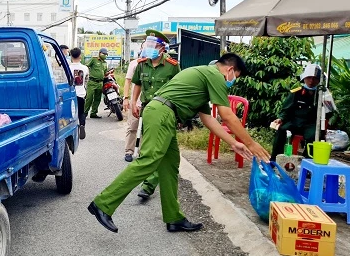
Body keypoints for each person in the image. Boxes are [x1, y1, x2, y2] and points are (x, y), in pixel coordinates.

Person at [88, 53, 270, 233]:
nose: (232, 81)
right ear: (230, 69)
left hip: (163, 114)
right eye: (235, 77)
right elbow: (227, 115)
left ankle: (173, 218)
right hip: (162, 113)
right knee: (148, 161)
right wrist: (251, 143)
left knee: (169, 165)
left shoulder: (203, 77)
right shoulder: (215, 75)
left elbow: (209, 120)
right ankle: (103, 204)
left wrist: (233, 142)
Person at [130, 31, 181, 200]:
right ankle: (149, 181)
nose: (149, 48)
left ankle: (149, 184)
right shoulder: (142, 64)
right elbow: (137, 84)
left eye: (153, 45)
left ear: (162, 48)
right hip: (148, 110)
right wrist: (133, 103)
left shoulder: (172, 65)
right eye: (147, 45)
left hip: (166, 111)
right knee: (149, 147)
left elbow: (179, 88)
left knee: (162, 147)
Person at [270, 64, 325, 161]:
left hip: (311, 124)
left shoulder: (323, 94)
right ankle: (275, 160)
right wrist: (281, 119)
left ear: (319, 80)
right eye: (309, 78)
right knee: (281, 130)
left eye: (314, 78)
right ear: (304, 78)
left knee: (314, 136)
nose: (311, 81)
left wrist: (326, 98)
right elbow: (286, 109)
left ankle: (308, 162)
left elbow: (329, 112)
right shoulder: (297, 92)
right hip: (294, 121)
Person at [123, 43, 146, 161]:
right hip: (135, 102)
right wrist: (126, 98)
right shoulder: (135, 64)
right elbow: (128, 81)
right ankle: (129, 151)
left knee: (147, 130)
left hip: (150, 103)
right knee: (132, 127)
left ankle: (144, 153)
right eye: (145, 46)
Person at [69, 47, 89, 139]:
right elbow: (86, 80)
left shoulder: (67, 67)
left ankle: (71, 129)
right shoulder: (85, 68)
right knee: (81, 112)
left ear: (71, 56)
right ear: (80, 56)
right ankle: (82, 125)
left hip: (70, 94)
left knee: (70, 112)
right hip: (81, 93)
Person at [84, 47, 109, 119]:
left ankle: (93, 113)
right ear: (100, 53)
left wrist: (107, 73)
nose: (105, 55)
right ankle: (85, 113)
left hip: (100, 83)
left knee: (97, 99)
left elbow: (104, 73)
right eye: (104, 54)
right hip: (92, 82)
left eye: (106, 54)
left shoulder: (105, 63)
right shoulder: (94, 60)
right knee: (89, 98)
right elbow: (86, 66)